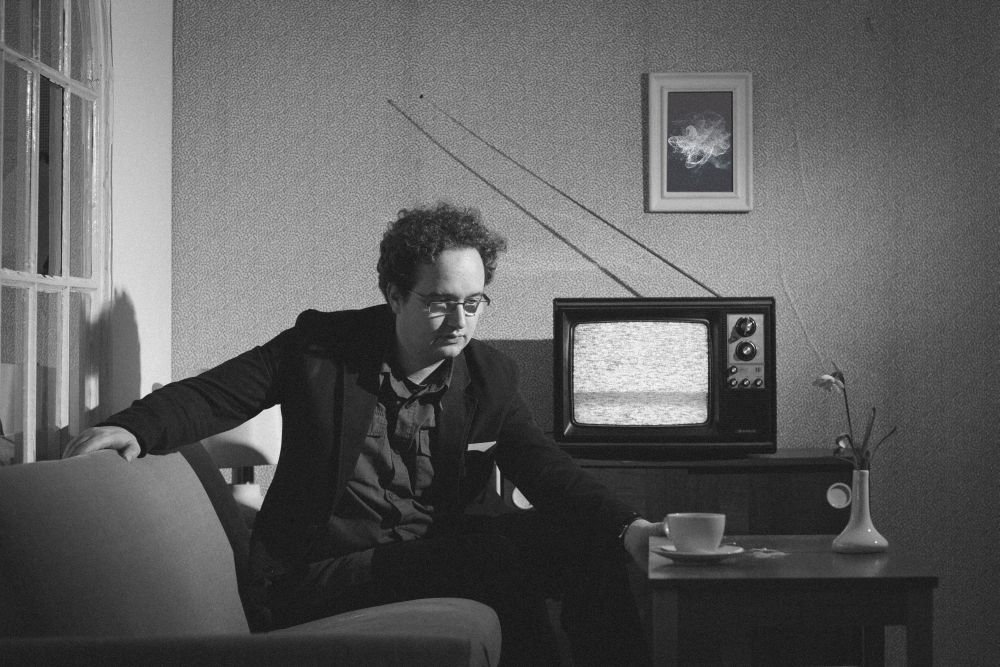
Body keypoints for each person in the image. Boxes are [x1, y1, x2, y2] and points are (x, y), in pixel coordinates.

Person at [65, 202, 660, 666]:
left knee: (587, 540)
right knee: (502, 563)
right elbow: (214, 395)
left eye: (475, 303)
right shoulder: (320, 349)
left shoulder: (488, 376)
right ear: (394, 295)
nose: (461, 322)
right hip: (320, 573)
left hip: (430, 559)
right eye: (440, 303)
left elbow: (545, 466)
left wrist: (627, 526)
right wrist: (131, 427)